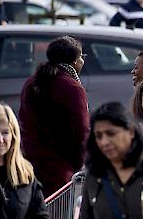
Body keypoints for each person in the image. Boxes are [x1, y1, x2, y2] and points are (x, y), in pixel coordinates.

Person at [19, 36, 90, 197]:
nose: (82, 61)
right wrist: (78, 163)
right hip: (60, 170)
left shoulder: (31, 82)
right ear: (74, 61)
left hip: (30, 164)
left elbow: (24, 122)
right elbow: (81, 131)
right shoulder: (72, 87)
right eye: (81, 57)